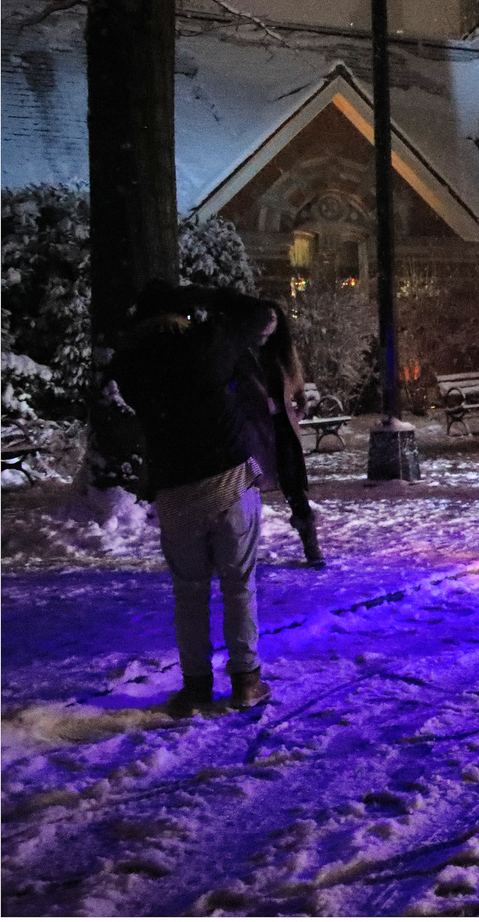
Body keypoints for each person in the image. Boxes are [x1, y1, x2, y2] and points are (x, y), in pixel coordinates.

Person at [110, 282, 280, 717]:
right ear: (182, 313)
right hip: (228, 481)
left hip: (175, 492)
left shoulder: (130, 367)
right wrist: (207, 295)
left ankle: (195, 687)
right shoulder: (207, 347)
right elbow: (262, 315)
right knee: (239, 584)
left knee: (189, 592)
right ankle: (246, 681)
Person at [257, 304, 324, 567]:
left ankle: (310, 541)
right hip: (256, 430)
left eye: (273, 320)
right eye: (265, 319)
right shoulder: (246, 351)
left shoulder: (282, 352)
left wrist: (300, 401)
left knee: (293, 484)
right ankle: (235, 548)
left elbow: (295, 384)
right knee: (244, 485)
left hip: (282, 427)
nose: (268, 325)